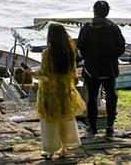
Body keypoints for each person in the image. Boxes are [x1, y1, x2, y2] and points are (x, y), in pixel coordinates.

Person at [28, 23, 86, 159]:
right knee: (66, 118)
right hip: (65, 89)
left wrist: (31, 72)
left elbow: (44, 73)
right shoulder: (70, 50)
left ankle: (50, 149)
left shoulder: (47, 53)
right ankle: (67, 147)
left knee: (49, 120)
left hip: (49, 91)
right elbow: (73, 72)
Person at [76, 0, 126, 138]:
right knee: (111, 97)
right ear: (108, 12)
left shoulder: (86, 27)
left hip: (91, 69)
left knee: (91, 98)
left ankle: (93, 127)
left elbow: (80, 46)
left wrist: (89, 57)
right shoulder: (114, 28)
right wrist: (111, 56)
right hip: (109, 68)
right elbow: (121, 48)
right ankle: (110, 126)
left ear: (94, 11)